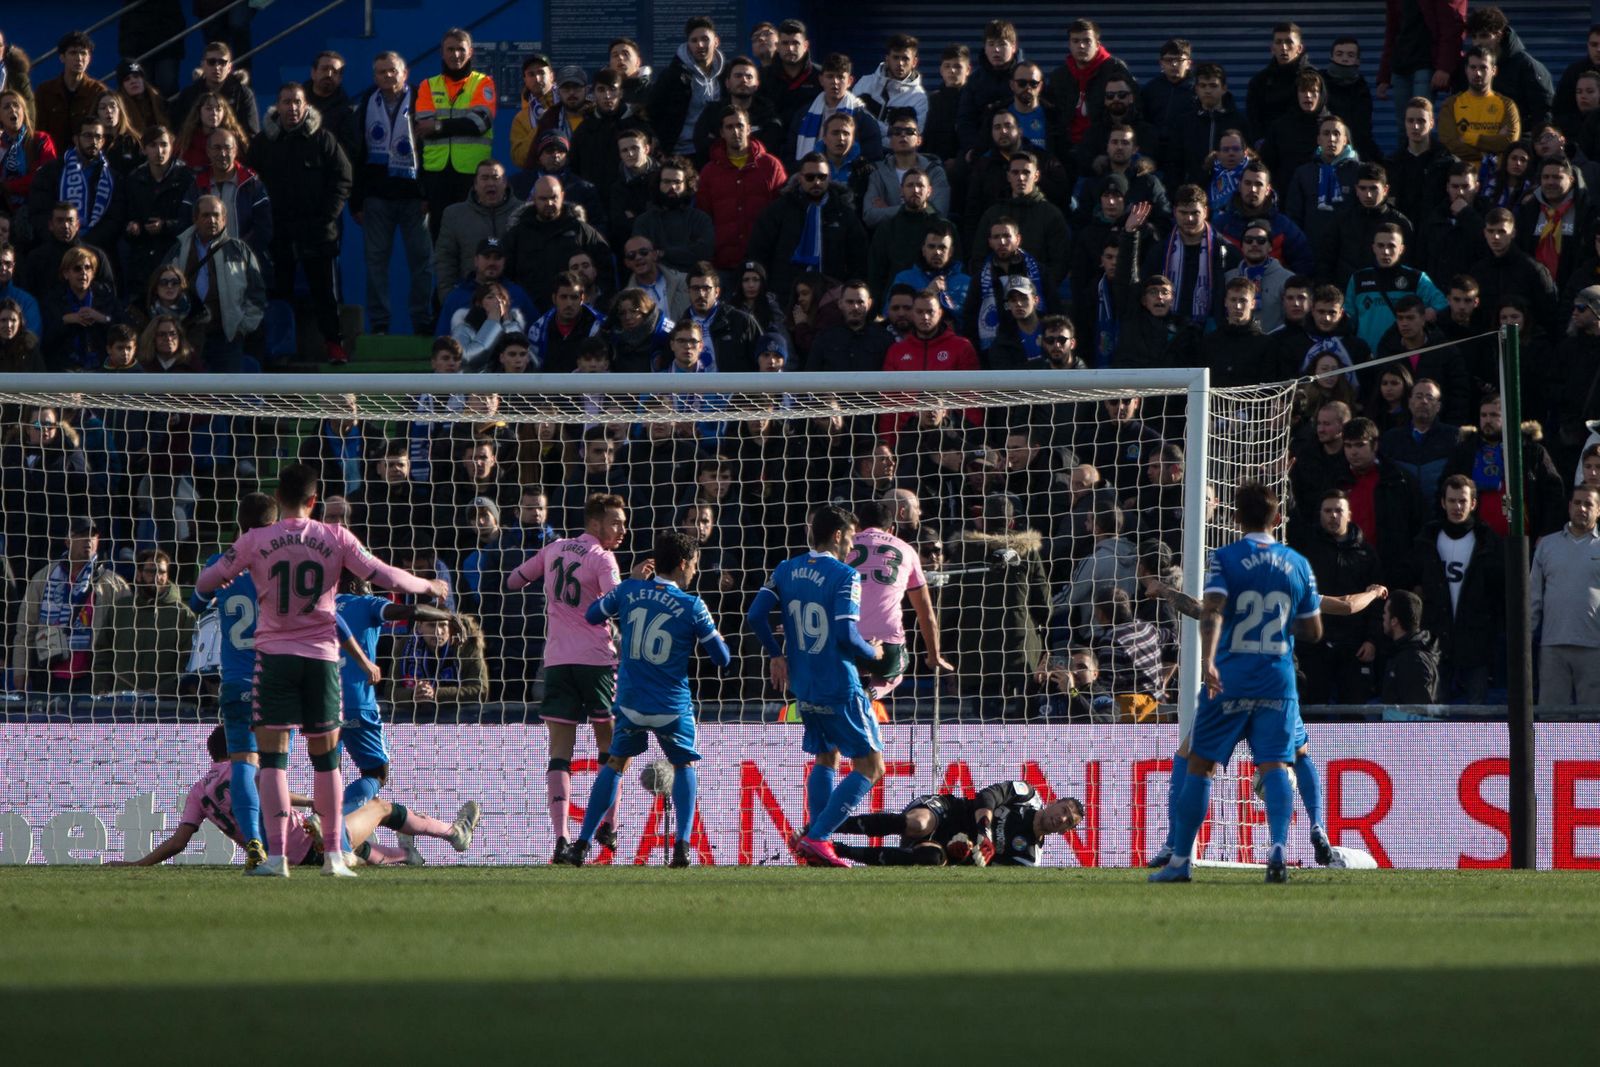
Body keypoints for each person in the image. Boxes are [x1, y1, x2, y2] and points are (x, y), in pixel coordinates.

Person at [193, 463, 448, 879]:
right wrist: (426, 585)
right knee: (327, 761)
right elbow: (383, 574)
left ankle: (276, 858)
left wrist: (219, 579)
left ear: (278, 497)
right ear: (314, 501)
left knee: (273, 760)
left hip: (273, 660)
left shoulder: (256, 539)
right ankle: (333, 855)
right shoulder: (335, 536)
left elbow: (207, 582)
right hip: (320, 660)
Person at [1151, 481, 1320, 884]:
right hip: (1278, 681)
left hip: (1229, 679)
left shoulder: (1225, 557)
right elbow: (1313, 630)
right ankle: (1278, 845)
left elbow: (1211, 612)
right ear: (1277, 518)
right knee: (1277, 763)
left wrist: (1209, 661)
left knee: (1199, 765)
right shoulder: (1298, 563)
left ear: (1235, 518)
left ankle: (1179, 861)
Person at [569, 531, 732, 868]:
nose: (695, 573)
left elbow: (592, 616)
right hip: (671, 708)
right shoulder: (692, 605)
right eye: (695, 566)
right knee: (684, 764)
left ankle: (582, 844)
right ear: (684, 564)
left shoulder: (629, 591)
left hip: (630, 704)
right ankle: (683, 846)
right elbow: (721, 659)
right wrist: (708, 632)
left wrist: (627, 589)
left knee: (615, 763)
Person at [507, 493, 651, 863]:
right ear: (595, 523)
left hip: (556, 661)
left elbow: (513, 580)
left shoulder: (554, 548)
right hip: (595, 662)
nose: (622, 529)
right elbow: (618, 603)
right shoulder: (603, 558)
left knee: (559, 752)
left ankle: (561, 838)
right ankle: (610, 824)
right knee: (614, 746)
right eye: (616, 522)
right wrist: (633, 583)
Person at [113, 725, 480, 869]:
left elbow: (179, 841)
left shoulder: (198, 790)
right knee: (380, 807)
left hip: (283, 858)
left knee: (359, 846)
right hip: (308, 843)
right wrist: (316, 805)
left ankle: (405, 855)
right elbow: (277, 793)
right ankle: (454, 833)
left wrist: (137, 865)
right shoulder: (242, 769)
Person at [746, 505, 886, 867]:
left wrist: (776, 654)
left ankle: (814, 842)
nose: (852, 546)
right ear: (837, 535)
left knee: (827, 757)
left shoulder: (785, 569)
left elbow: (755, 615)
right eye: (851, 538)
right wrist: (874, 651)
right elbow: (845, 634)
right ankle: (818, 836)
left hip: (804, 685)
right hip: (839, 684)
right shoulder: (844, 575)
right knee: (871, 767)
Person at [248, 83, 352, 364]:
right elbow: (250, 184)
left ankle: (334, 346)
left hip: (318, 233)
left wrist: (327, 215)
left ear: (306, 106)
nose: (292, 108)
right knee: (279, 293)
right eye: (286, 102)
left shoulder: (324, 139)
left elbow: (343, 178)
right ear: (277, 106)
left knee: (325, 294)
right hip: (278, 234)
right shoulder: (262, 143)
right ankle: (280, 351)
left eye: (297, 102)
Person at [352, 51, 430, 336]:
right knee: (376, 265)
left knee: (422, 262)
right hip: (376, 197)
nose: (387, 76)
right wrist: (356, 200)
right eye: (381, 72)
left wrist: (427, 195)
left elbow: (430, 150)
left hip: (414, 198)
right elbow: (357, 153)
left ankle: (422, 321)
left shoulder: (423, 101)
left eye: (392, 70)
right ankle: (380, 324)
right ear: (374, 77)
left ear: (405, 72)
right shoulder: (366, 104)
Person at [833, 780, 1084, 867]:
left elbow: (987, 871)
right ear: (1054, 801)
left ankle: (838, 852)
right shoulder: (1027, 795)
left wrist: (969, 856)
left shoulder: (1029, 859)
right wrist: (983, 832)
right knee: (919, 824)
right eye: (1063, 810)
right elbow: (988, 796)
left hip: (949, 849)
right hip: (948, 811)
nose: (1061, 818)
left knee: (930, 858)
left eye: (1068, 821)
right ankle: (829, 826)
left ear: (1065, 831)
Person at [848, 497, 952, 701]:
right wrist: (934, 655)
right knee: (897, 671)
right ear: (892, 529)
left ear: (858, 526)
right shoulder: (906, 550)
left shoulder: (844, 546)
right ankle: (869, 695)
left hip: (847, 639)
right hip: (887, 645)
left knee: (842, 670)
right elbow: (925, 613)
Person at [12, 516, 128, 696]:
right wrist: (20, 670)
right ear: (67, 541)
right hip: (48, 674)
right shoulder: (43, 578)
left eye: (93, 536)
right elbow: (25, 630)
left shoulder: (114, 584)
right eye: (81, 535)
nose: (88, 540)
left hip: (91, 678)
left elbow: (125, 635)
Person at [1414, 475, 1504, 703]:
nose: (1457, 507)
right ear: (1443, 502)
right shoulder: (1426, 540)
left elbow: (1497, 592)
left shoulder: (1488, 542)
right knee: (1436, 712)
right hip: (1435, 640)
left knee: (1478, 713)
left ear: (1473, 503)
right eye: (1452, 501)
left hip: (1476, 640)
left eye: (1462, 501)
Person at [159, 194, 267, 373]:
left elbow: (257, 293)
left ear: (224, 219)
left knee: (225, 396)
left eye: (217, 215)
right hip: (187, 335)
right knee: (189, 395)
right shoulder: (179, 248)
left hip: (227, 337)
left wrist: (242, 327)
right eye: (206, 215)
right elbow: (160, 286)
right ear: (195, 219)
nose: (212, 220)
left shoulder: (239, 251)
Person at [745, 153, 867, 305]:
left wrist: (845, 289)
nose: (816, 182)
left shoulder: (843, 213)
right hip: (786, 294)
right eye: (810, 177)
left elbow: (858, 256)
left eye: (822, 177)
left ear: (829, 178)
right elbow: (759, 250)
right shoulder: (779, 210)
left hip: (831, 295)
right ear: (800, 178)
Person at [414, 28, 496, 242]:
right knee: (441, 242)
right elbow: (423, 129)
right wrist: (457, 124)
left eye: (461, 49)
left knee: (473, 240)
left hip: (472, 174)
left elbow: (479, 123)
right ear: (442, 52)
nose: (455, 55)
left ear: (470, 52)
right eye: (450, 49)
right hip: (436, 176)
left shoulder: (484, 83)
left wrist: (438, 126)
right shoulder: (427, 85)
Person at [1529, 484, 1600, 705]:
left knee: (1593, 721)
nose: (1582, 508)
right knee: (1553, 720)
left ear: (1598, 510)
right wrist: (1526, 638)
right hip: (1552, 646)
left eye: (1589, 503)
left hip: (1594, 646)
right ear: (1569, 507)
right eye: (1577, 503)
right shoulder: (1547, 546)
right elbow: (1533, 598)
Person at [696, 105, 788, 274]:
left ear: (748, 129)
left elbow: (782, 212)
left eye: (740, 125)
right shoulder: (709, 171)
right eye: (729, 127)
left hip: (764, 260)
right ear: (721, 132)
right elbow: (704, 217)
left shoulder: (771, 165)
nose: (735, 131)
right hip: (723, 262)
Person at [648, 16, 725, 157]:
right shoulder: (673, 75)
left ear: (716, 41)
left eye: (705, 39)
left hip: (716, 151)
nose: (700, 45)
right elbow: (653, 110)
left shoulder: (726, 75)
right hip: (680, 153)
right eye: (694, 40)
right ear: (688, 44)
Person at [1438, 47, 1522, 166]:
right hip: (1462, 181)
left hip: (1495, 179)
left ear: (1494, 70)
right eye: (1473, 67)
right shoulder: (1450, 104)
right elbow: (1449, 144)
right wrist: (1489, 154)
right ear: (1466, 70)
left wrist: (1467, 137)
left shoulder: (1507, 105)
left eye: (1483, 68)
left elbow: (1509, 142)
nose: (1477, 73)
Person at [32, 31, 108, 150]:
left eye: (83, 53)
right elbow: (37, 130)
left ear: (89, 58)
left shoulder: (97, 91)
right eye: (73, 53)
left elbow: (105, 129)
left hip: (87, 157)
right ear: (62, 57)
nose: (79, 58)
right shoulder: (45, 91)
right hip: (52, 158)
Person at [171, 41, 259, 138]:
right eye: (211, 62)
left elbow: (252, 133)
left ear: (229, 67)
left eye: (222, 62)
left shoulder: (243, 94)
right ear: (203, 65)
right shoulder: (189, 94)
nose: (217, 67)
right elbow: (178, 130)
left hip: (233, 150)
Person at [1246, 22, 1313, 136]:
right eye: (1278, 42)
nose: (1284, 47)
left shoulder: (1313, 78)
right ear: (1272, 48)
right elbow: (1253, 119)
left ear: (1300, 48)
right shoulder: (1260, 81)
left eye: (1289, 42)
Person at [1380, 588, 1442, 703]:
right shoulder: (1402, 653)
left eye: (1385, 613)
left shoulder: (1412, 659)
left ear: (1394, 621)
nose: (1383, 617)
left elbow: (1416, 714)